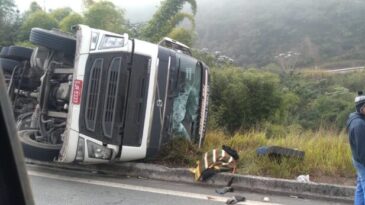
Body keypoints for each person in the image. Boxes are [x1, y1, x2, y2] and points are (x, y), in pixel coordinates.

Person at [347, 91, 365, 205]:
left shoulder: (359, 119)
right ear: (362, 108)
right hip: (362, 160)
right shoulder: (358, 124)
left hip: (357, 159)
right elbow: (362, 149)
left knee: (360, 186)